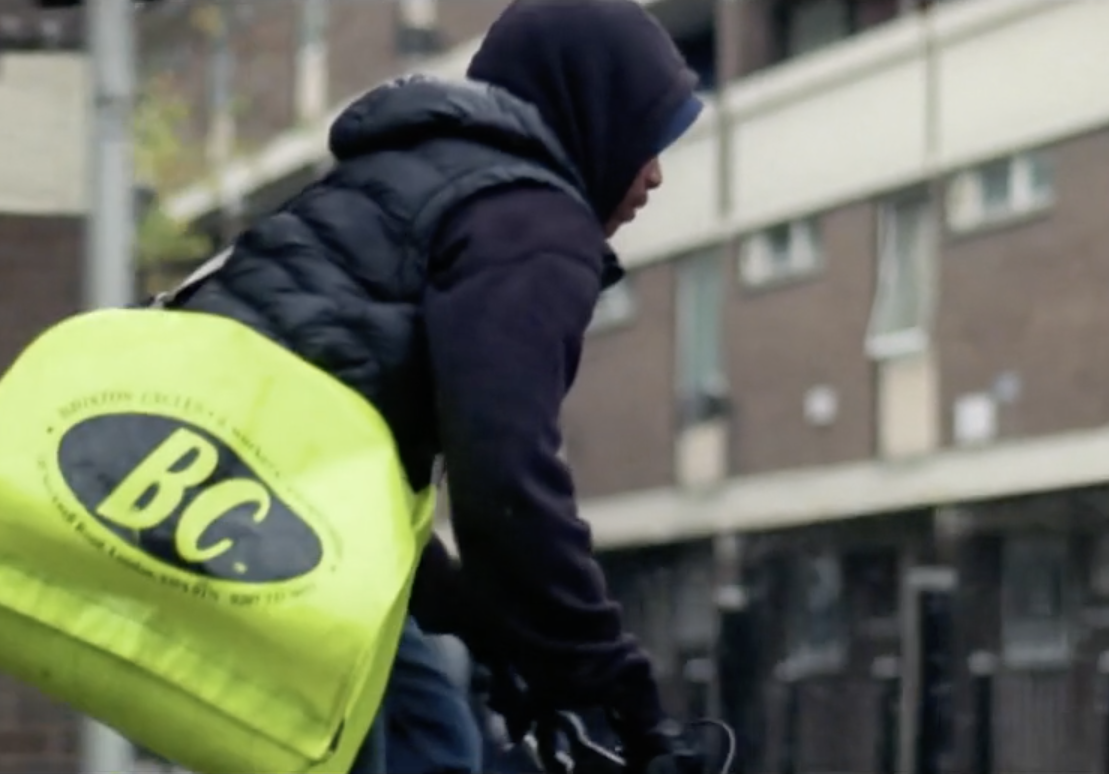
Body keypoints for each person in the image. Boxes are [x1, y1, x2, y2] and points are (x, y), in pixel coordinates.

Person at [159, 0, 706, 771]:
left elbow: (346, 466)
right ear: (593, 112)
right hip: (258, 523)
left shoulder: (415, 178)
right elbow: (506, 477)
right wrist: (616, 684)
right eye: (647, 137)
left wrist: (494, 635)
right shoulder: (533, 223)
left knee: (430, 726)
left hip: (192, 481)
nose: (653, 173)